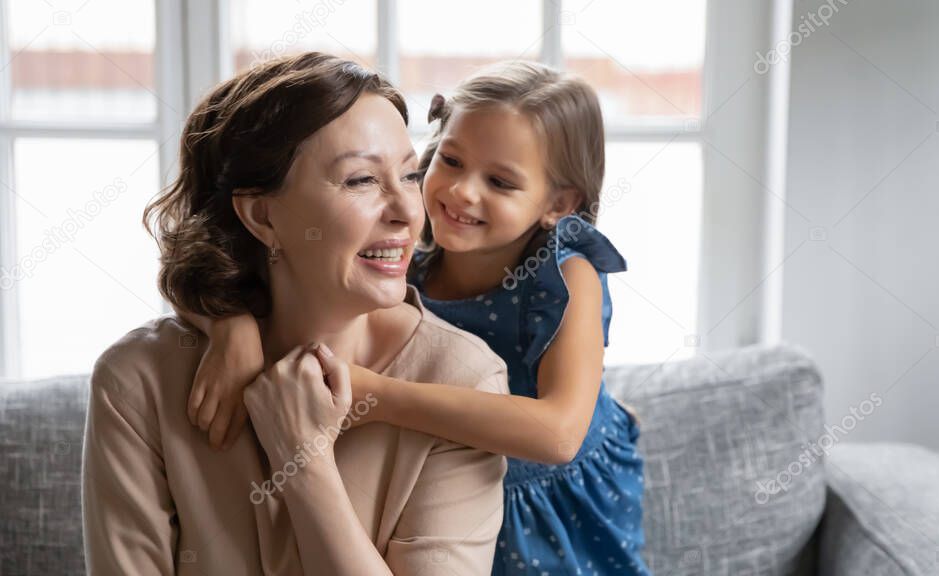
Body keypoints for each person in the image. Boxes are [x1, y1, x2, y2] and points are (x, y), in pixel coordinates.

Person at [181, 61, 650, 575]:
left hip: (551, 501)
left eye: (499, 181)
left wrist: (372, 393)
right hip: (453, 486)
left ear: (559, 204)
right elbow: (210, 262)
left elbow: (559, 435)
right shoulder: (405, 262)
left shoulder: (566, 272)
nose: (462, 191)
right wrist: (231, 327)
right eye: (449, 160)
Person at [82, 52, 508, 575]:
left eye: (410, 174)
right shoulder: (138, 383)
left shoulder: (462, 380)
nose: (406, 211)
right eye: (360, 181)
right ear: (262, 214)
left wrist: (303, 459)